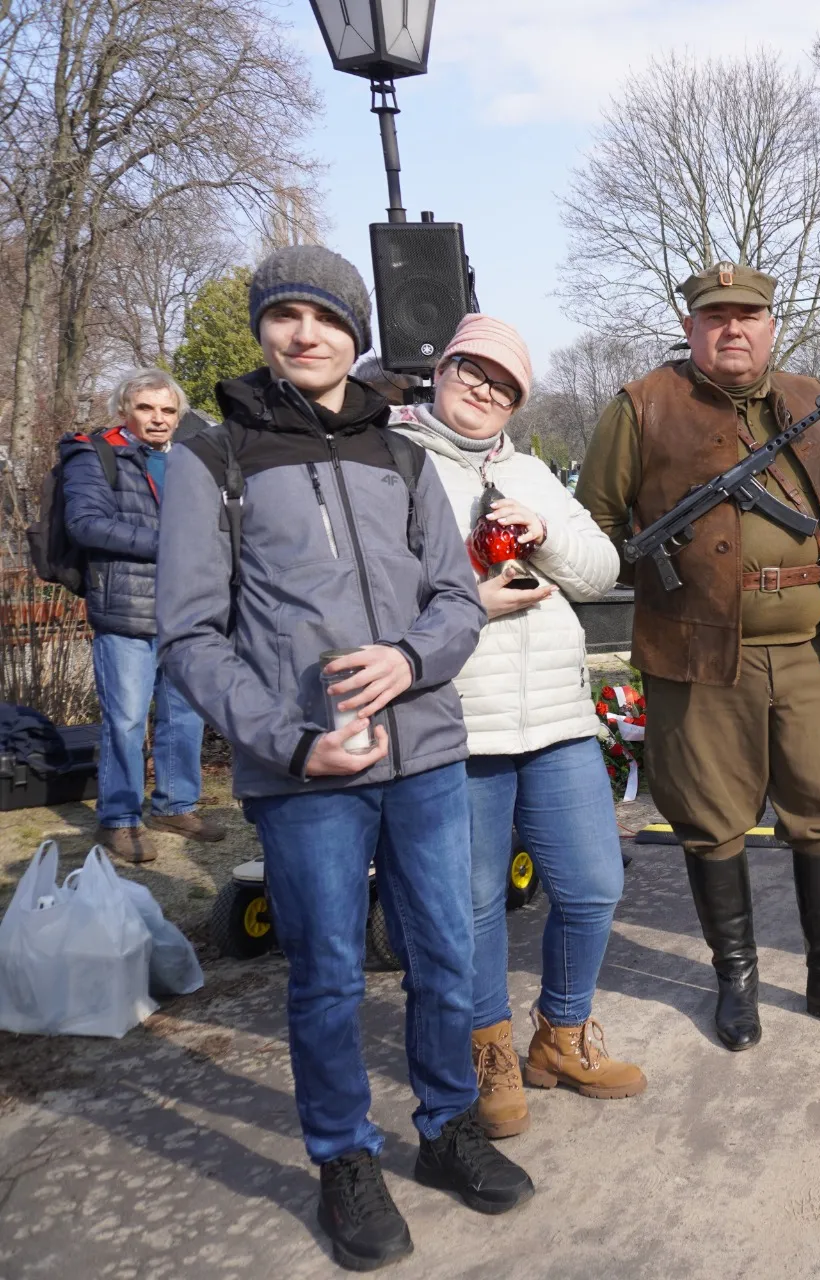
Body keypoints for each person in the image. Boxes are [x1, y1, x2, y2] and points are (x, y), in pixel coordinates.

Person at [156, 245, 530, 1270]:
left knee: (445, 954)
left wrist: (410, 659)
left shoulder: (400, 455)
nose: (306, 332)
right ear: (263, 330)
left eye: (327, 316)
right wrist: (288, 741)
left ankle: (447, 1125)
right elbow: (190, 633)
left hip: (426, 757)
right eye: (285, 313)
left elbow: (455, 600)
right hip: (307, 775)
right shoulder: (214, 459)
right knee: (326, 975)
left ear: (356, 333)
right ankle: (344, 1157)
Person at [576, 262, 820, 1051]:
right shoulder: (642, 406)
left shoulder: (810, 402)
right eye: (715, 316)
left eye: (747, 316)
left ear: (770, 326)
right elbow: (594, 529)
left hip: (814, 649)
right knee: (712, 819)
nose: (732, 329)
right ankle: (737, 981)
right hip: (700, 653)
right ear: (689, 327)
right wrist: (665, 571)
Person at [391, 314, 643, 1141]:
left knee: (593, 884)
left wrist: (544, 534)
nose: (484, 391)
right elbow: (375, 590)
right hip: (461, 723)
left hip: (558, 721)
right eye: (472, 371)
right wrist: (473, 600)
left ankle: (561, 1036)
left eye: (503, 386)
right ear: (441, 370)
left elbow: (602, 569)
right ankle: (488, 1051)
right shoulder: (392, 460)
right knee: (474, 905)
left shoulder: (530, 470)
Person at [61, 368, 222, 862]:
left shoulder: (190, 458)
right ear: (123, 411)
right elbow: (86, 524)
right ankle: (119, 819)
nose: (158, 418)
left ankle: (175, 805)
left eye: (168, 410)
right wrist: (170, 543)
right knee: (127, 720)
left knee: (185, 716)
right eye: (146, 408)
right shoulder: (95, 454)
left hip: (186, 609)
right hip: (125, 610)